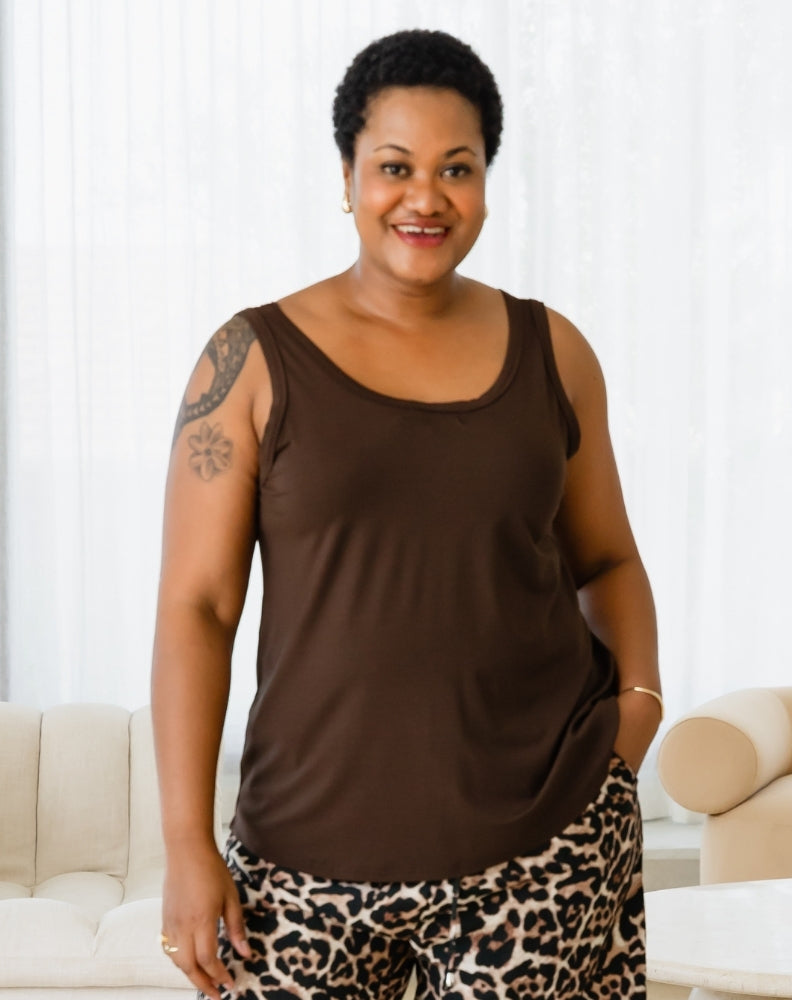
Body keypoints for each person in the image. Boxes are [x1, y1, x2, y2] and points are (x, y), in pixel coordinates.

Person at [151, 28, 661, 1000]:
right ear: (347, 176)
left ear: (485, 183)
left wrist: (639, 709)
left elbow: (606, 560)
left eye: (455, 169)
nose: (425, 197)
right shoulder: (249, 360)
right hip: (301, 864)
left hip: (537, 853)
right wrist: (184, 844)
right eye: (394, 166)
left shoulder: (553, 351)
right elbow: (198, 608)